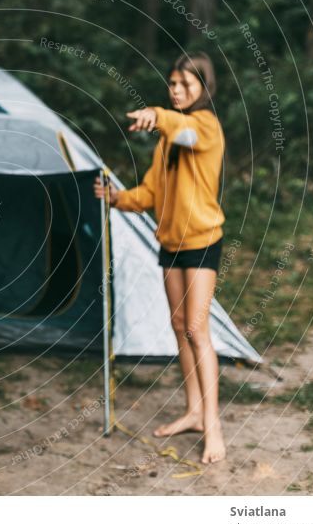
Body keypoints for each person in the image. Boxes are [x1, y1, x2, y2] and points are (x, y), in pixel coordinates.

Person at [94, 52, 227, 464]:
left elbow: (185, 130)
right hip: (170, 242)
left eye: (185, 84)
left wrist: (157, 114)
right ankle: (192, 411)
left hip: (202, 240)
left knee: (197, 327)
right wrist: (118, 199)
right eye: (172, 84)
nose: (176, 91)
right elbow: (151, 193)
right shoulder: (169, 140)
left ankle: (214, 426)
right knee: (179, 326)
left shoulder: (203, 127)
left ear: (204, 89)